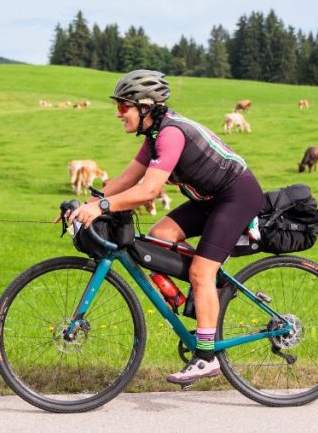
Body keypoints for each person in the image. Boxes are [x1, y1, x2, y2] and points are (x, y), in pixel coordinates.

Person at [66, 69, 264, 384]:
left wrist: (102, 207)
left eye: (122, 107)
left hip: (236, 195)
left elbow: (149, 191)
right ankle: (210, 290)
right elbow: (125, 180)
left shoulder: (171, 133)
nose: (119, 114)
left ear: (146, 106)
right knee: (160, 236)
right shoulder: (154, 135)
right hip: (211, 198)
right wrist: (85, 204)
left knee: (201, 272)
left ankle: (206, 356)